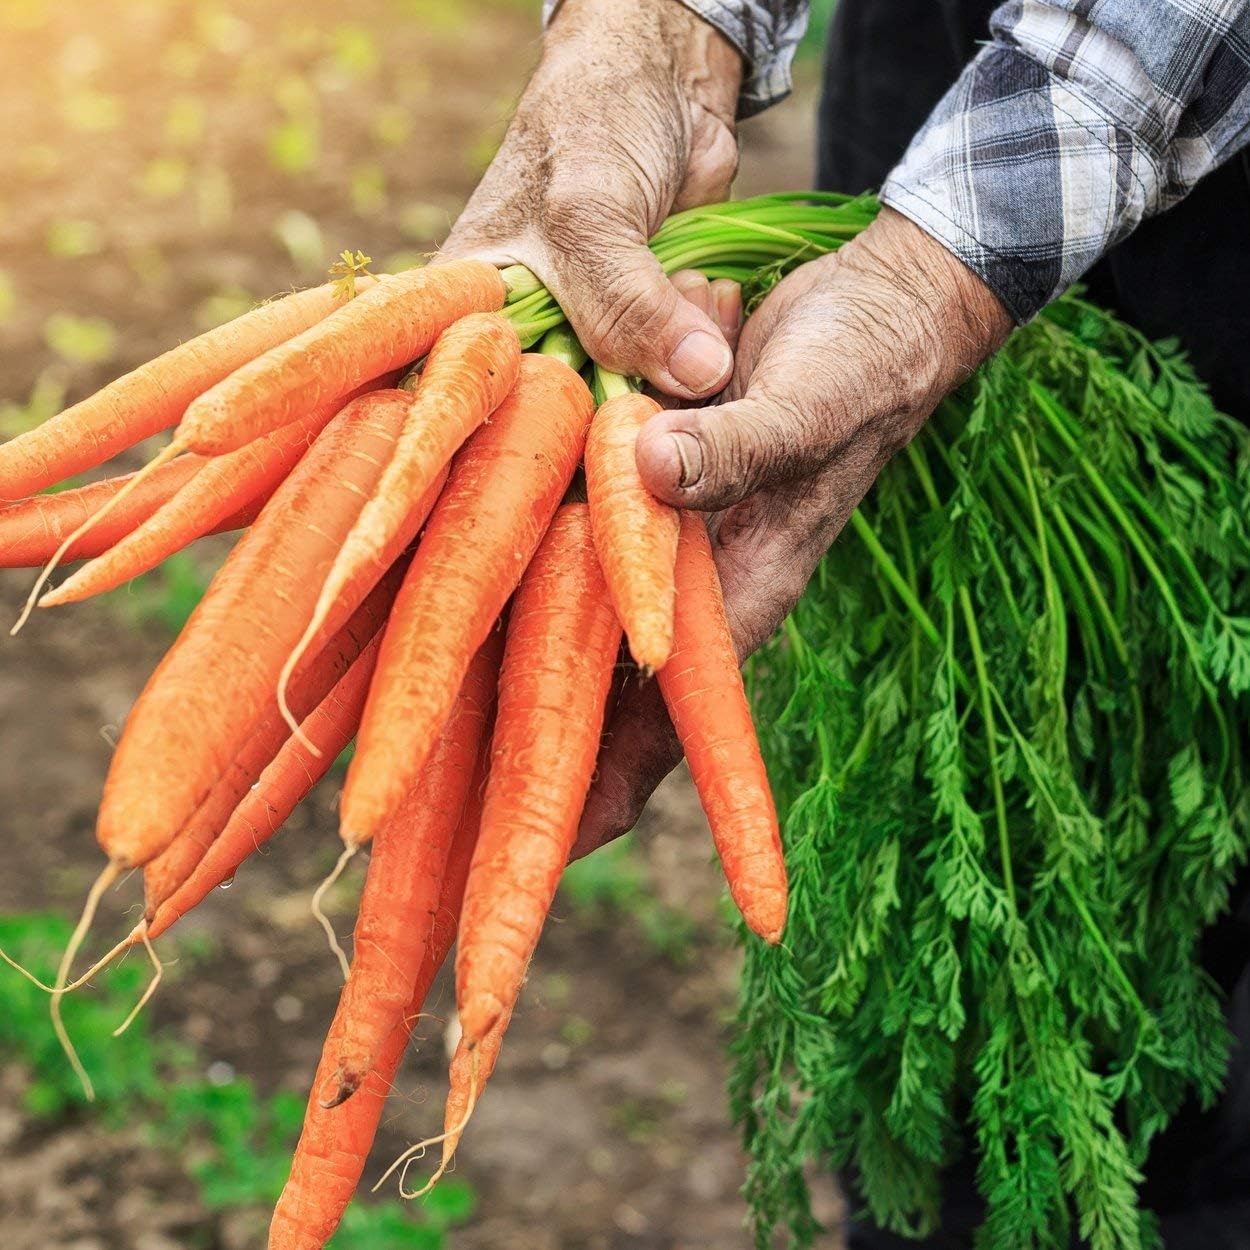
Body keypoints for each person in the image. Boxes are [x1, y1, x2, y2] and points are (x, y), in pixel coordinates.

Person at [443, 1, 1250, 1244]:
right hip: (940, 52)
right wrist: (660, 27)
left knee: (1178, 890)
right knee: (947, 847)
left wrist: (928, 280)